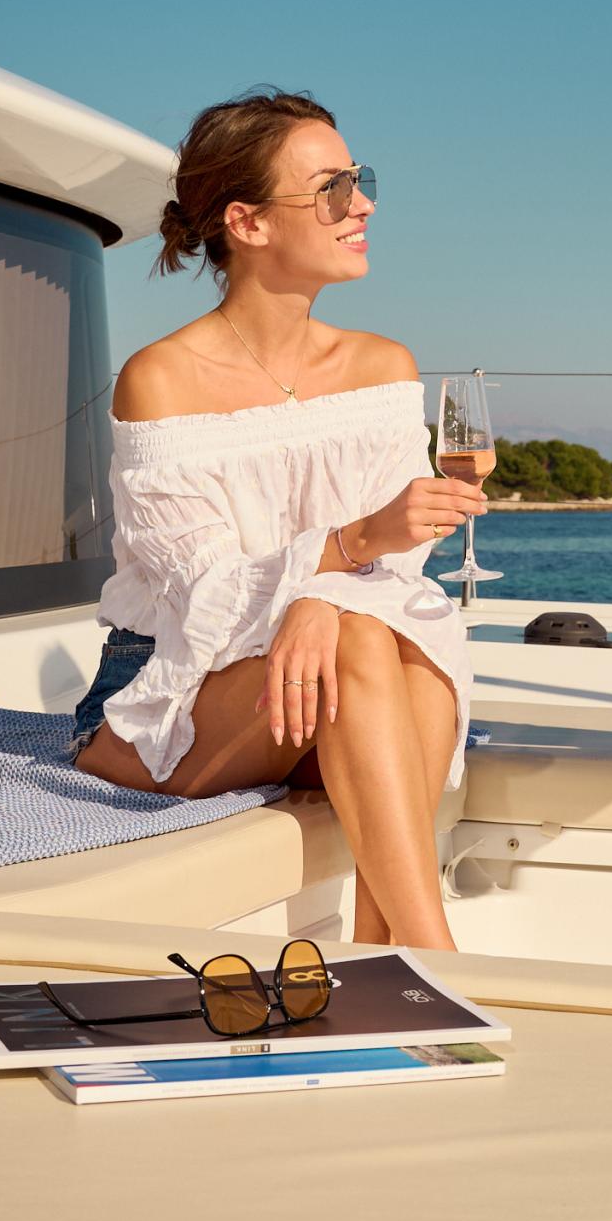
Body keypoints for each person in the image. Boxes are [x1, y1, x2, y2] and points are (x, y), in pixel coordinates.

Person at [71, 87, 484, 952]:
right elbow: (205, 595)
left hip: (327, 677)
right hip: (169, 692)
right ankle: (433, 957)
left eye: (359, 180)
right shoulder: (161, 379)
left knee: (391, 644)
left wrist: (323, 597)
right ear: (248, 222)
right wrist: (346, 550)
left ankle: (389, 954)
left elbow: (400, 575)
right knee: (361, 636)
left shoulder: (382, 367)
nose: (362, 205)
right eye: (332, 189)